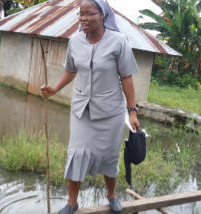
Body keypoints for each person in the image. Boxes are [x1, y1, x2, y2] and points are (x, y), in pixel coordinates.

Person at [41, 0, 140, 213]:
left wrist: (132, 111)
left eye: (89, 14)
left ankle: (112, 195)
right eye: (81, 14)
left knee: (109, 155)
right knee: (76, 153)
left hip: (111, 111)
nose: (84, 18)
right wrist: (55, 89)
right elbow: (71, 70)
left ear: (103, 15)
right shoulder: (75, 41)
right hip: (81, 110)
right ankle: (72, 202)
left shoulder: (119, 41)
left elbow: (127, 78)